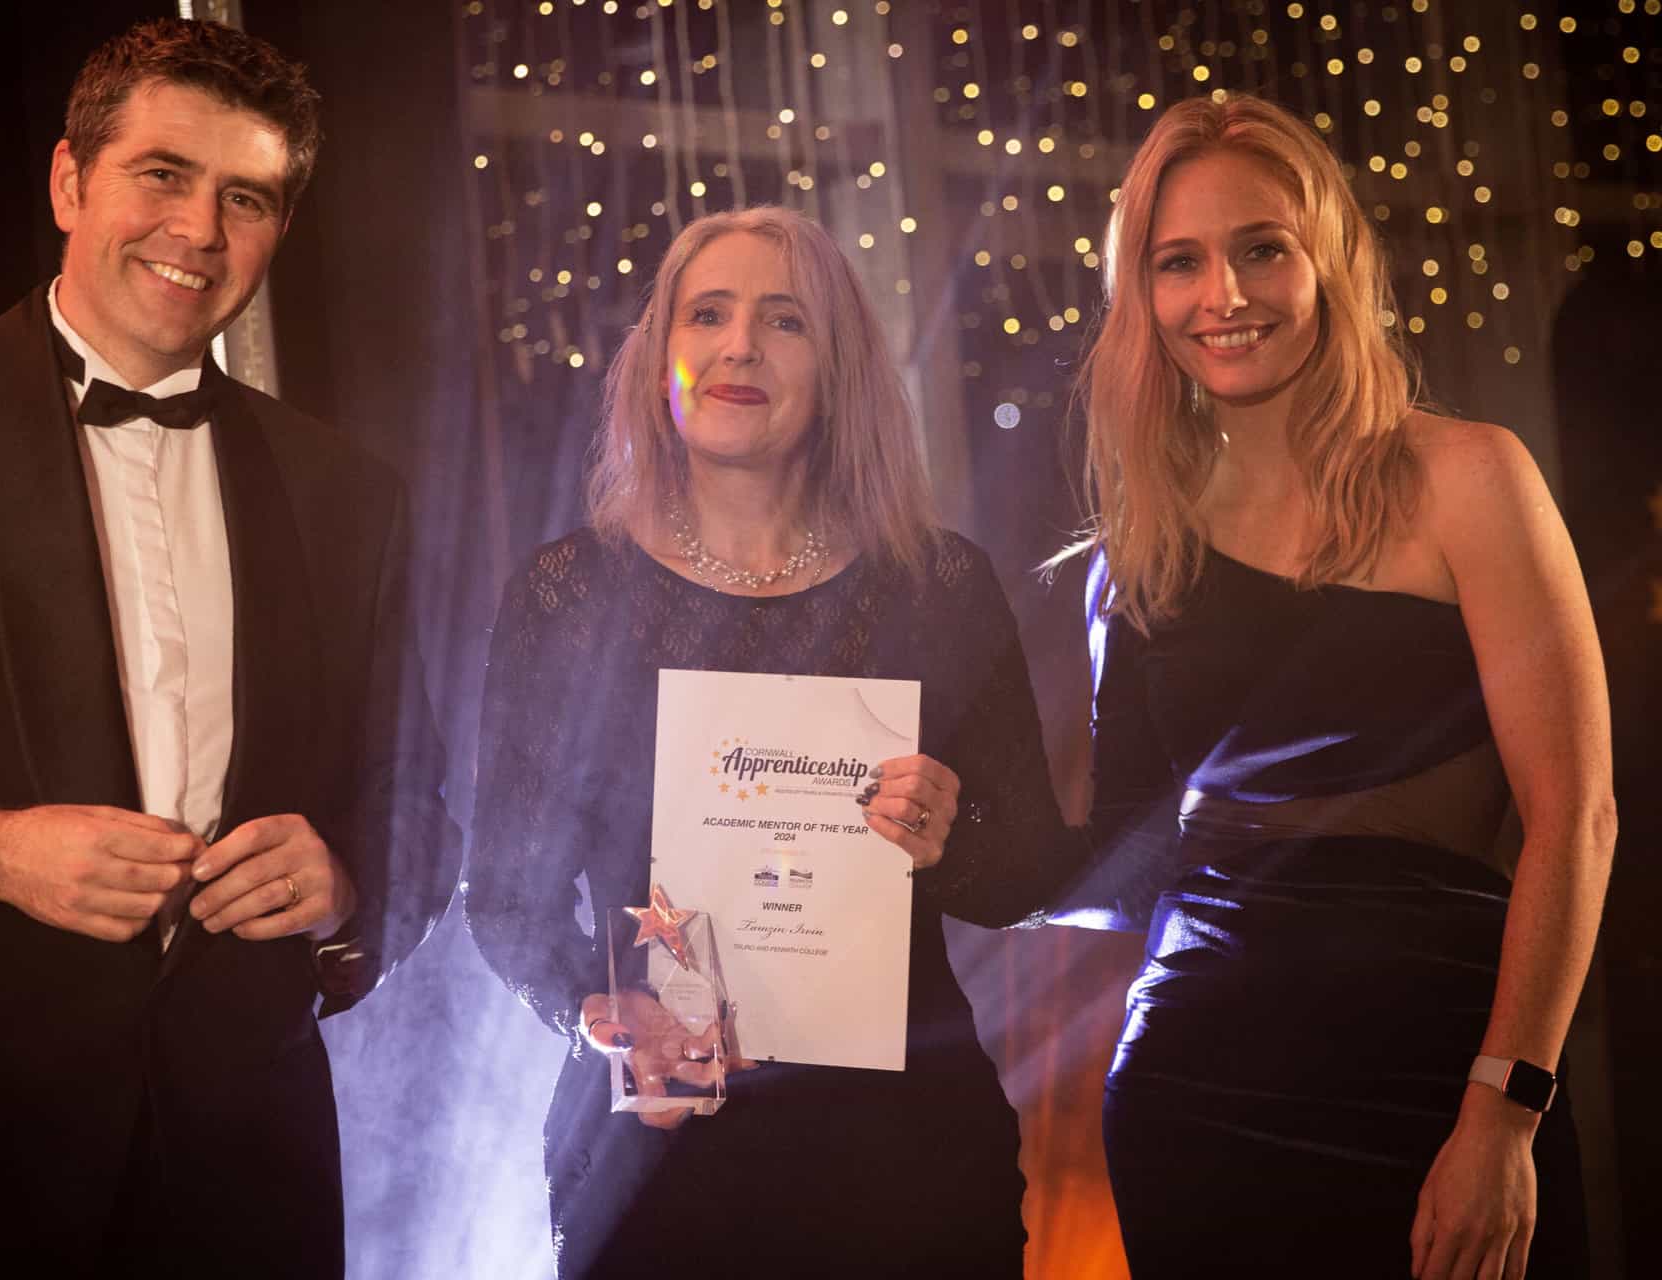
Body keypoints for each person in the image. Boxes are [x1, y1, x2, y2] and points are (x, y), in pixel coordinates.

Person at [0, 19, 458, 1274]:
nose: (199, 231)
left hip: (246, 1173)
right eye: (163, 175)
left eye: (246, 197)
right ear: (71, 180)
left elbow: (416, 809)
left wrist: (344, 878)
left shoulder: (351, 490)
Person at [463, 206, 1084, 1277]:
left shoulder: (939, 585)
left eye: (784, 320)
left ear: (837, 369)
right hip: (655, 1146)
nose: (740, 344)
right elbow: (507, 897)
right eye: (708, 314)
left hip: (906, 1158)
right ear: (663, 357)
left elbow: (1027, 868)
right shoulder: (567, 594)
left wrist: (950, 833)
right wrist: (600, 1014)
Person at [1061, 93, 1614, 1278]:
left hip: (1448, 1080)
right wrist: (949, 825)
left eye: (1263, 248)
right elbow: (1116, 873)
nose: (1227, 295)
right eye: (1180, 262)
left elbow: (1579, 820)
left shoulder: (1470, 477)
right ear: (1142, 299)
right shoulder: (1137, 552)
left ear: (1329, 260)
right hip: (1193, 1095)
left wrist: (1503, 1111)